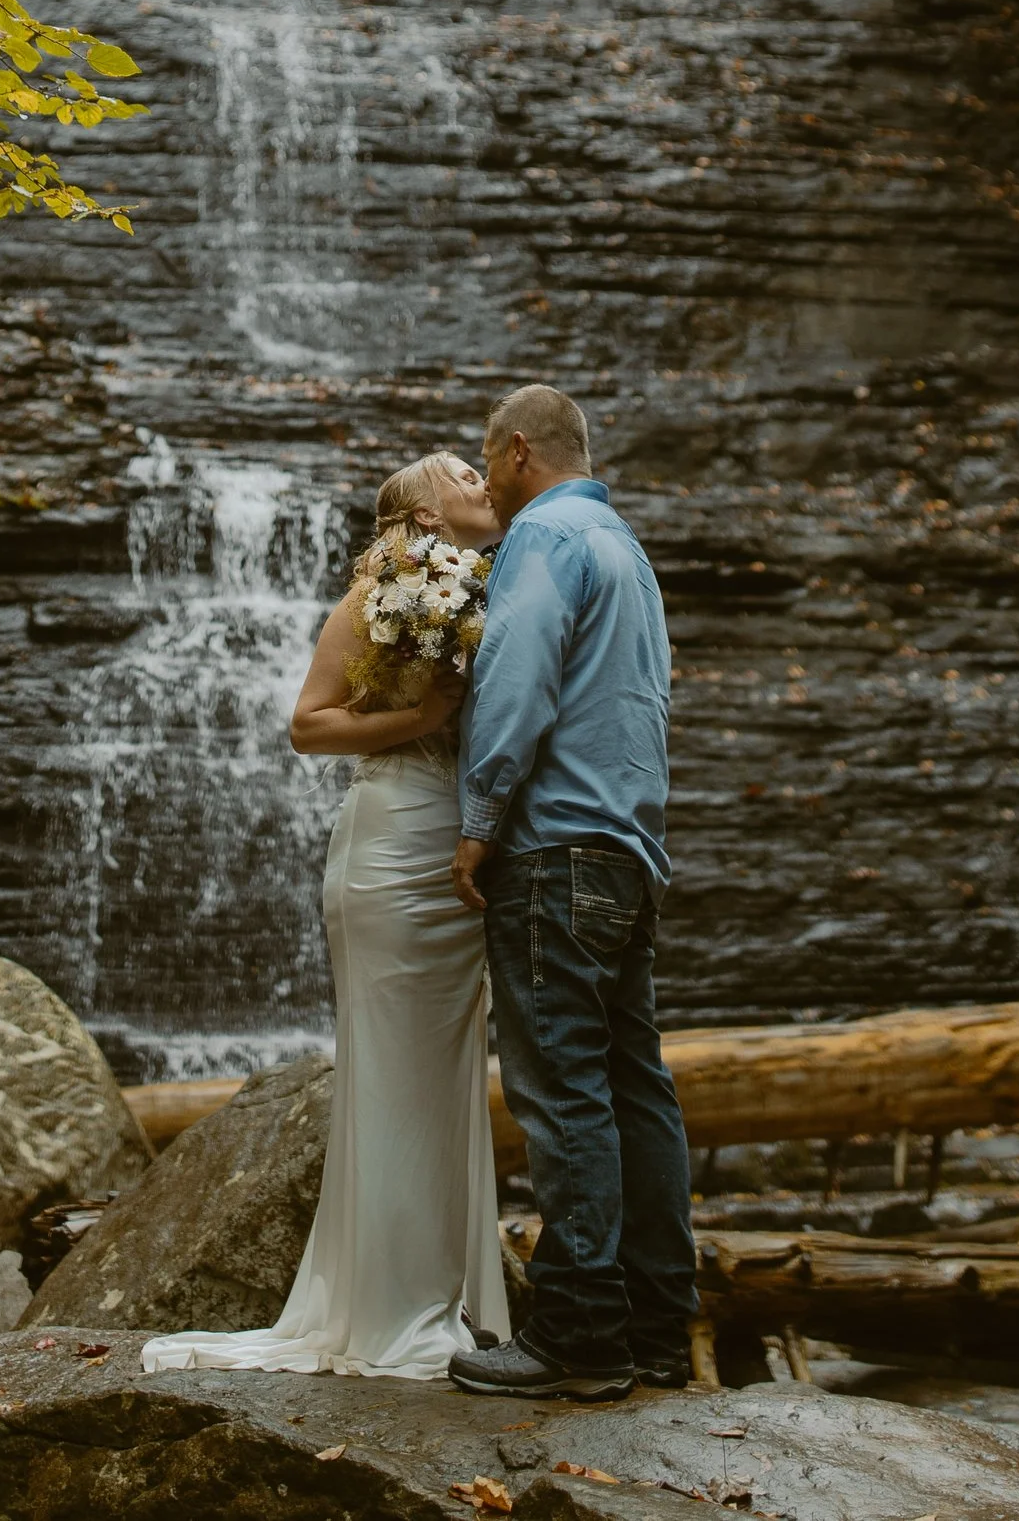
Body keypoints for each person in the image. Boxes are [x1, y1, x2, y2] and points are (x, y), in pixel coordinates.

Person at [141, 450, 513, 1380]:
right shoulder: (381, 593)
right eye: (461, 476)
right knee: (393, 1073)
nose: (481, 481)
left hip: (459, 848)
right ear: (424, 517)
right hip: (392, 846)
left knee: (446, 1075)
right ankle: (394, 1312)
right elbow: (308, 724)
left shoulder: (489, 586)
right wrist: (419, 720)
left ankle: (443, 1299)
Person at [445, 383, 697, 1401]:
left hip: (554, 847)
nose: (486, 479)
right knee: (636, 1087)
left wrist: (478, 819)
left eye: (486, 459)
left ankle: (581, 1331)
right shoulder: (626, 550)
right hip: (628, 848)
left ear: (517, 451)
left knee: (563, 1088)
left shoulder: (543, 538)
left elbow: (515, 680)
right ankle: (657, 1325)